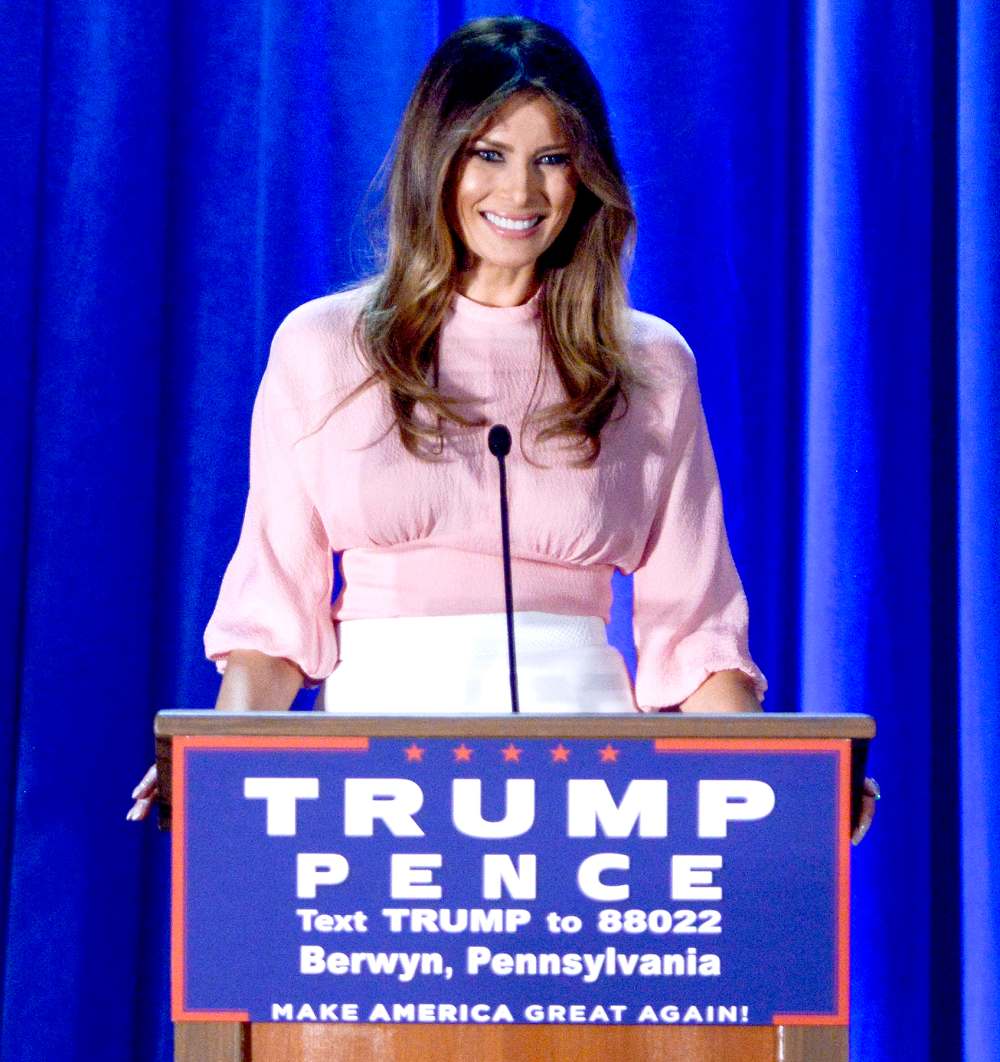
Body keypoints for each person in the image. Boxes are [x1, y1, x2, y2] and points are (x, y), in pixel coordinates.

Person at [128, 15, 877, 839]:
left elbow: (695, 636)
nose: (521, 193)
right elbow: (274, 617)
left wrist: (780, 795)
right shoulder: (323, 348)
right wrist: (220, 769)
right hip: (373, 793)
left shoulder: (651, 364)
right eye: (489, 154)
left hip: (589, 792)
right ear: (435, 160)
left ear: (587, 176)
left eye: (552, 159)